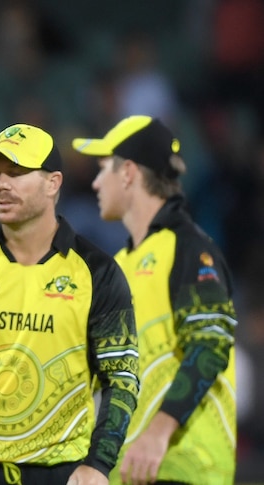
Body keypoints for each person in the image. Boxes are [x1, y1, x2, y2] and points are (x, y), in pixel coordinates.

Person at [0, 123, 140, 485]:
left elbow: (121, 379)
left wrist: (98, 464)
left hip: (60, 472)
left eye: (16, 173)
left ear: (53, 183)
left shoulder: (98, 272)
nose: (1, 184)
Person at [73, 115, 237, 485]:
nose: (96, 182)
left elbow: (210, 345)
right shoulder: (119, 263)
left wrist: (157, 434)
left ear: (128, 172)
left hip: (185, 467)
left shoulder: (191, 249)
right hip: (130, 470)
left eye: (103, 169)